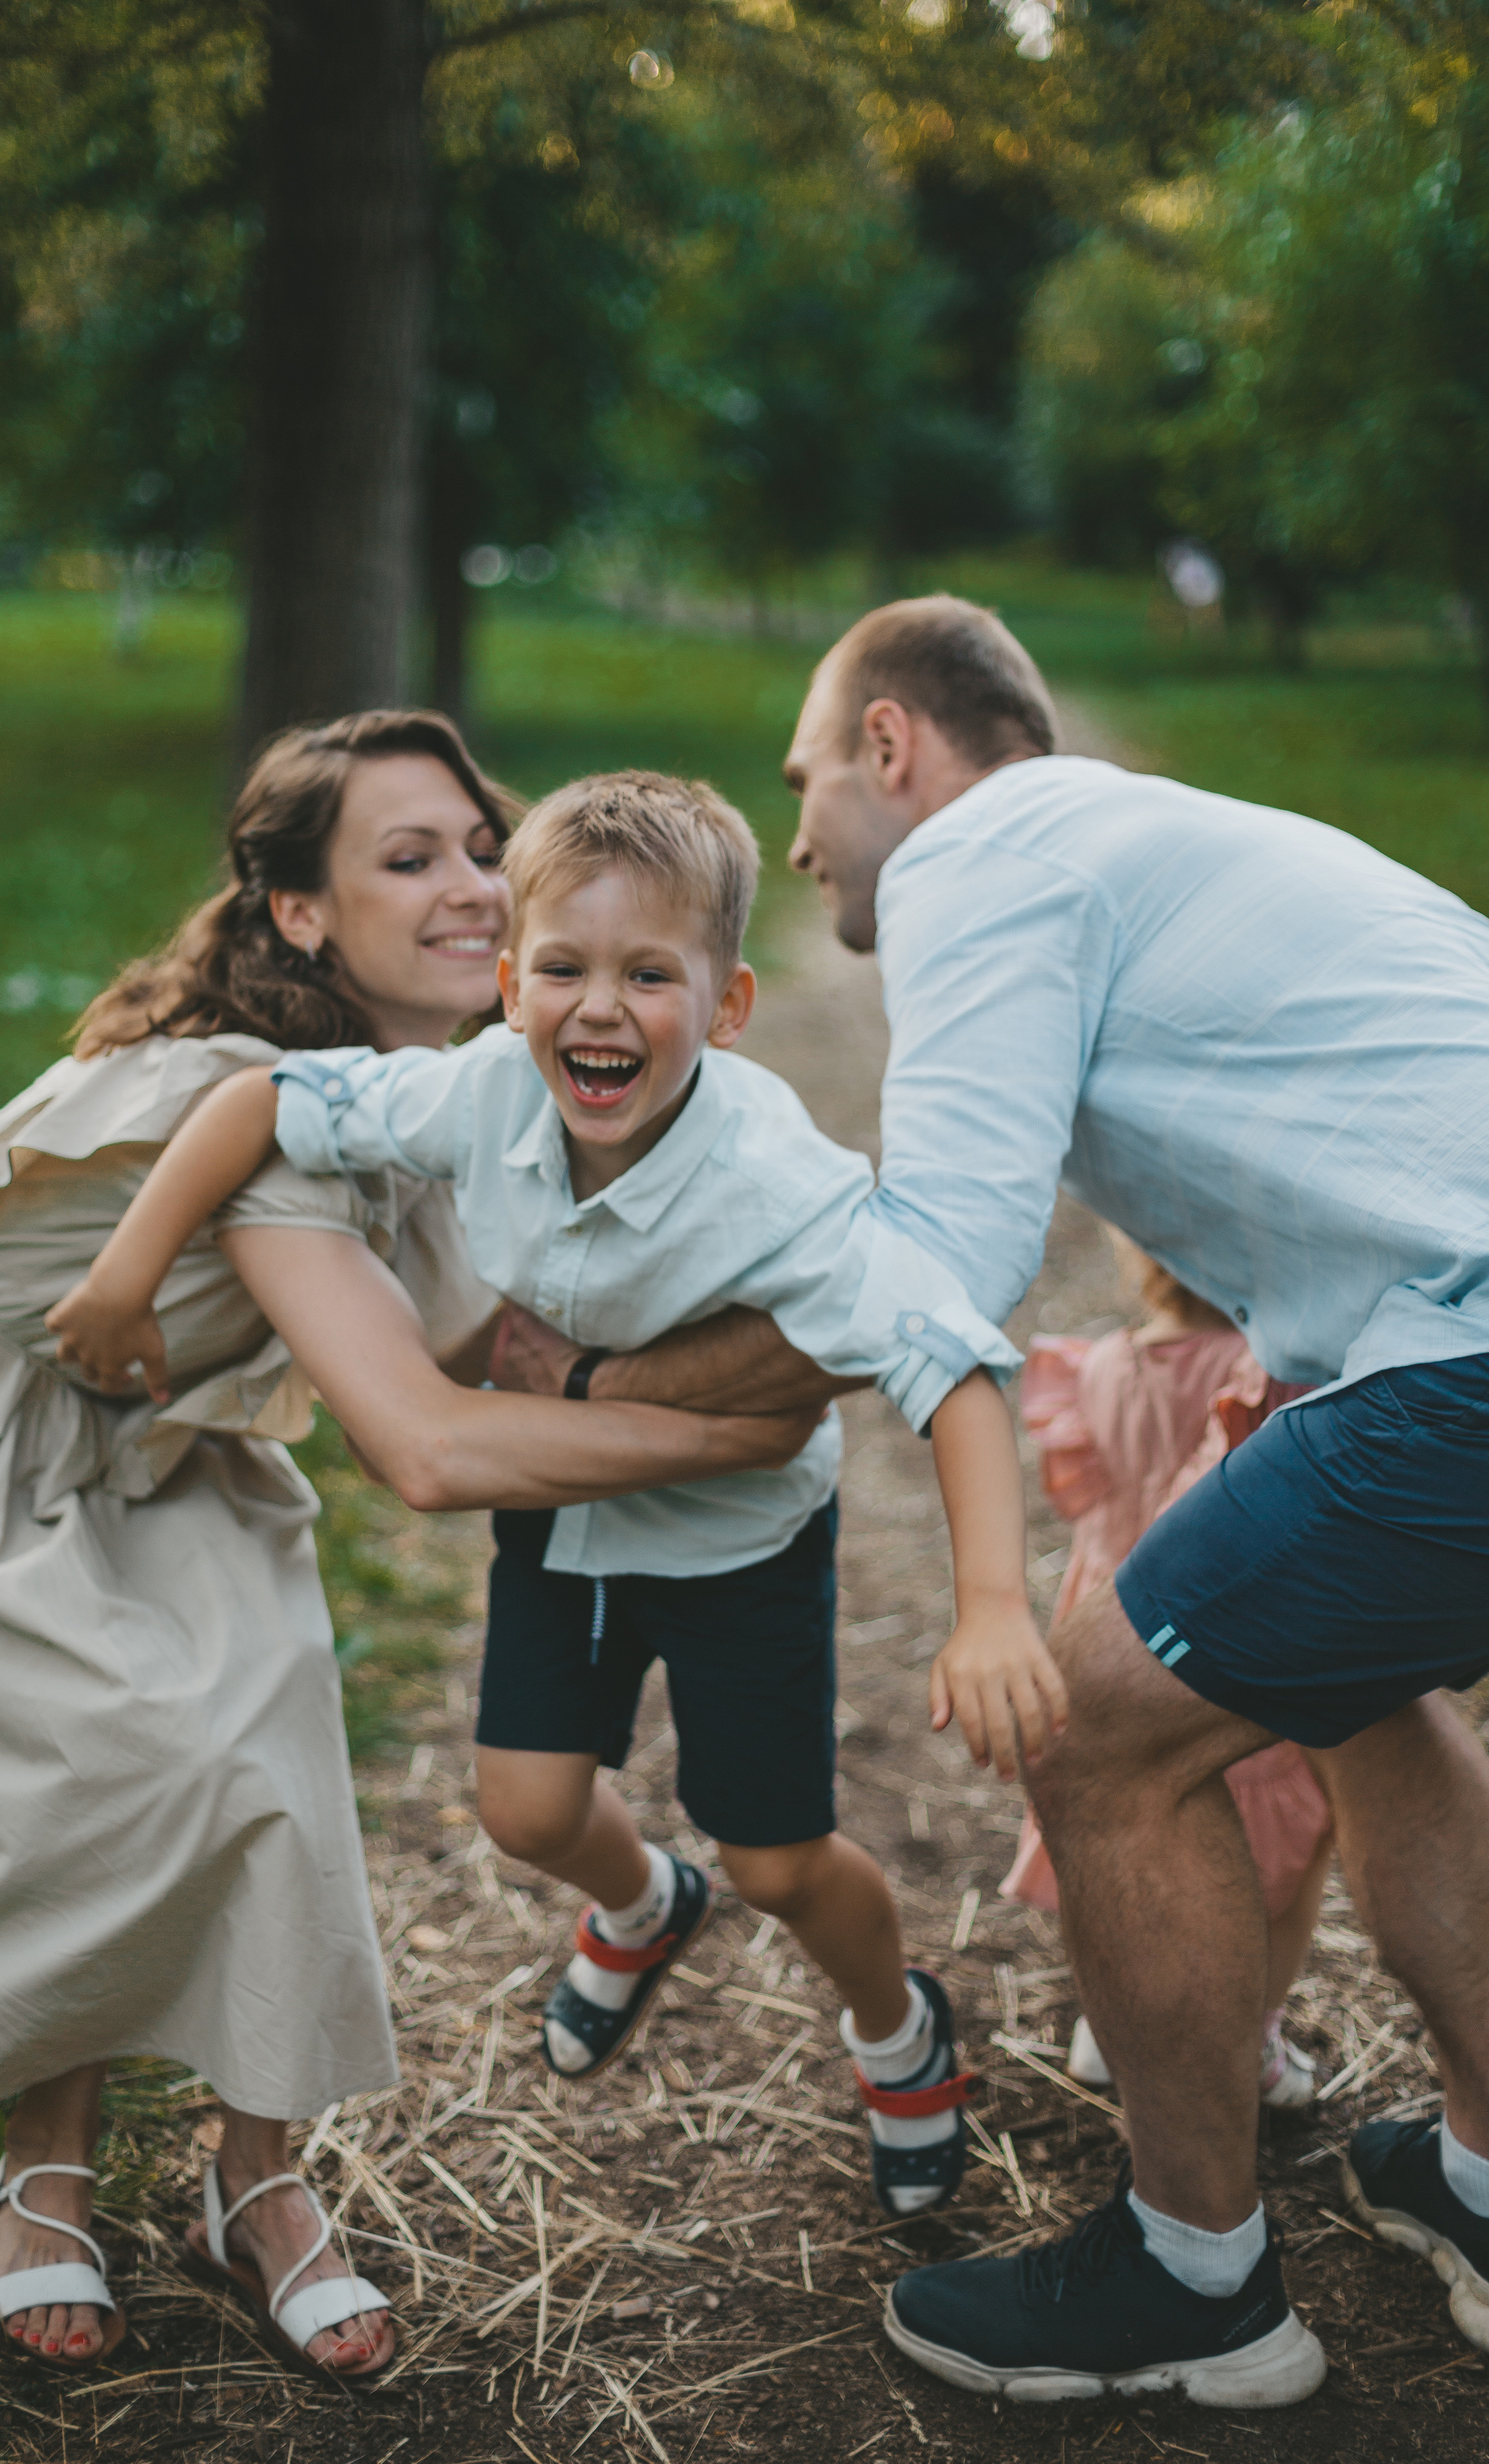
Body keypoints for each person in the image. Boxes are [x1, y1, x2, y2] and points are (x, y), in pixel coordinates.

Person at [498, 596, 1489, 2408]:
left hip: (1475, 1343)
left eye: (807, 779)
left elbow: (940, 1271)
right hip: (1448, 1329)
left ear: (894, 747)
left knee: (1106, 1736)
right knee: (1354, 1688)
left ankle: (1196, 2283)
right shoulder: (1153, 841)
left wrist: (602, 1390)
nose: (796, 839)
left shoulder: (987, 846)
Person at [0, 712, 811, 2381]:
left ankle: (258, 2183)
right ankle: (38, 2166)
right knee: (130, 1748)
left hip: (153, 1436)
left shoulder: (426, 1104)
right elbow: (432, 1450)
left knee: (271, 1724)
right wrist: (743, 1430)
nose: (468, 887)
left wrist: (809, 1313)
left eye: (475, 848)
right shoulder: (249, 1103)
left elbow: (526, 1351)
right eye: (405, 858)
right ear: (299, 914)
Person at [47, 769, 1060, 2220]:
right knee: (524, 1812)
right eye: (566, 971)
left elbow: (952, 1369)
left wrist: (987, 1608)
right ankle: (646, 1902)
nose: (600, 1010)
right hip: (566, 1521)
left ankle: (896, 2028)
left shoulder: (780, 1180)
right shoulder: (479, 1090)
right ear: (510, 986)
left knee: (774, 1857)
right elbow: (262, 1101)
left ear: (725, 1007)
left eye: (650, 975)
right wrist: (124, 1274)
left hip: (738, 1552)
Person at [1002, 1238, 1332, 2111]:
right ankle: (1251, 2036)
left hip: (1107, 1624)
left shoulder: (1100, 1365)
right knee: (1275, 1863)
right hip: (1220, 1639)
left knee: (1116, 1838)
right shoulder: (1265, 1373)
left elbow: (1092, 1501)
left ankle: (1113, 2020)